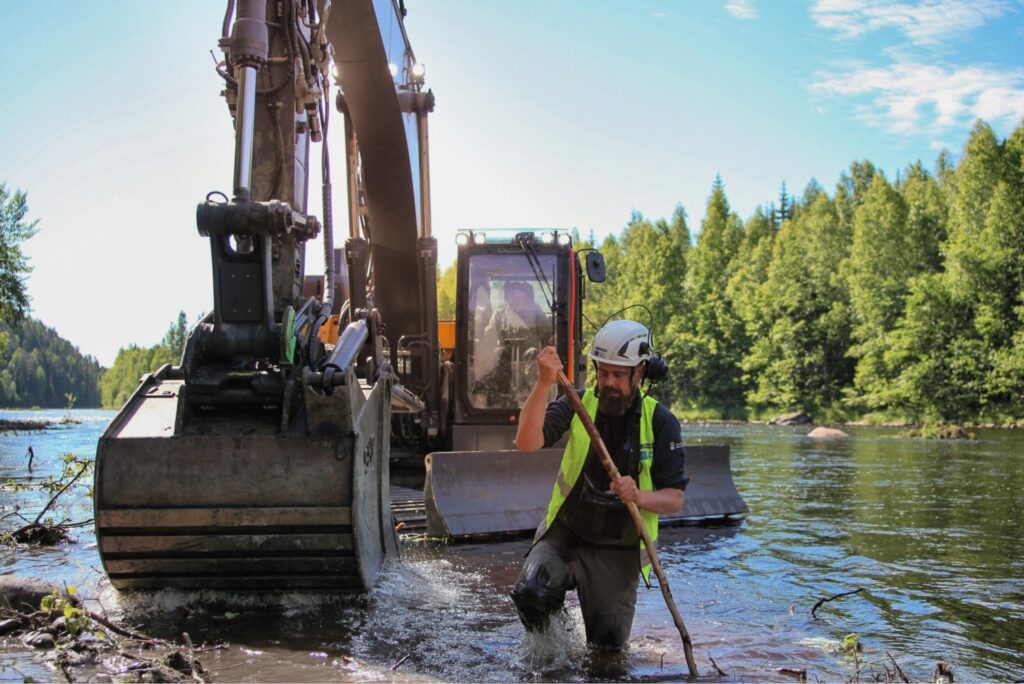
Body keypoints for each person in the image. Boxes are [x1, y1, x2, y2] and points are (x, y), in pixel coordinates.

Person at [510, 320, 688, 650]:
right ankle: (553, 648)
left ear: (641, 373)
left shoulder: (661, 422)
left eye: (619, 375)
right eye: (603, 373)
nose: (609, 383)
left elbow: (675, 499)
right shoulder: (577, 404)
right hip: (566, 532)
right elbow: (526, 441)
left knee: (607, 652)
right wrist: (544, 383)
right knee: (530, 594)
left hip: (617, 547)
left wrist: (639, 495)